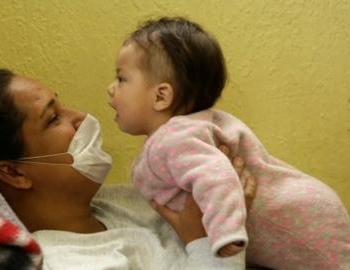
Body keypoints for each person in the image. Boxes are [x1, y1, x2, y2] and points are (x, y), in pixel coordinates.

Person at [0, 68, 257, 269]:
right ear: (15, 173)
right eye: (53, 118)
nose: (81, 116)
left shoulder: (128, 199)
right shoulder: (63, 262)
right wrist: (213, 244)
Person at [106, 16, 350, 269]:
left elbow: (218, 178)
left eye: (121, 79)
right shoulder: (197, 127)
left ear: (161, 96)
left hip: (299, 222)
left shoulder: (173, 139)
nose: (111, 89)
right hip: (307, 207)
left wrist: (225, 231)